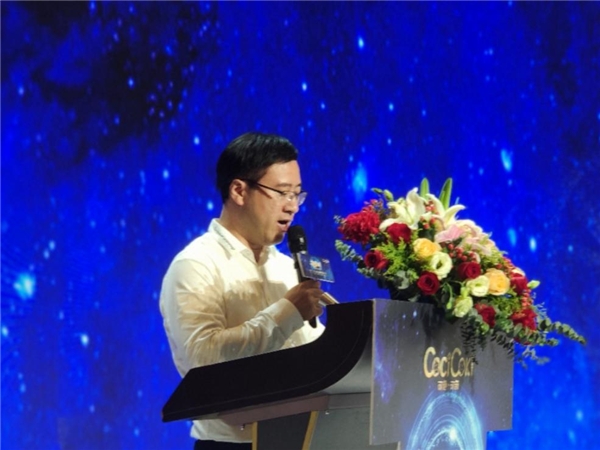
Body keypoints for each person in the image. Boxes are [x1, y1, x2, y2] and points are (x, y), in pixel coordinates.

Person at [160, 132, 325, 450]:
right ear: (238, 190)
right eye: (282, 193)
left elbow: (316, 355)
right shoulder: (196, 264)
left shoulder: (286, 267)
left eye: (297, 195)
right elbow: (203, 361)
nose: (292, 207)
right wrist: (288, 313)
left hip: (301, 439)